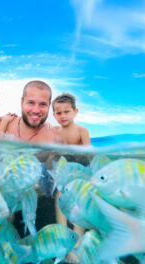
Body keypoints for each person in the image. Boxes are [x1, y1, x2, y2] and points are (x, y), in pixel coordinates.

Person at [52, 93, 91, 263]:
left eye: (66, 112)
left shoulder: (82, 131)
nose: (63, 116)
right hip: (62, 170)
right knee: (59, 195)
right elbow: (51, 154)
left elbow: (89, 154)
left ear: (75, 111)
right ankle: (62, 234)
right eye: (59, 113)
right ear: (54, 115)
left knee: (79, 199)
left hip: (80, 170)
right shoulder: (53, 131)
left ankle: (78, 238)